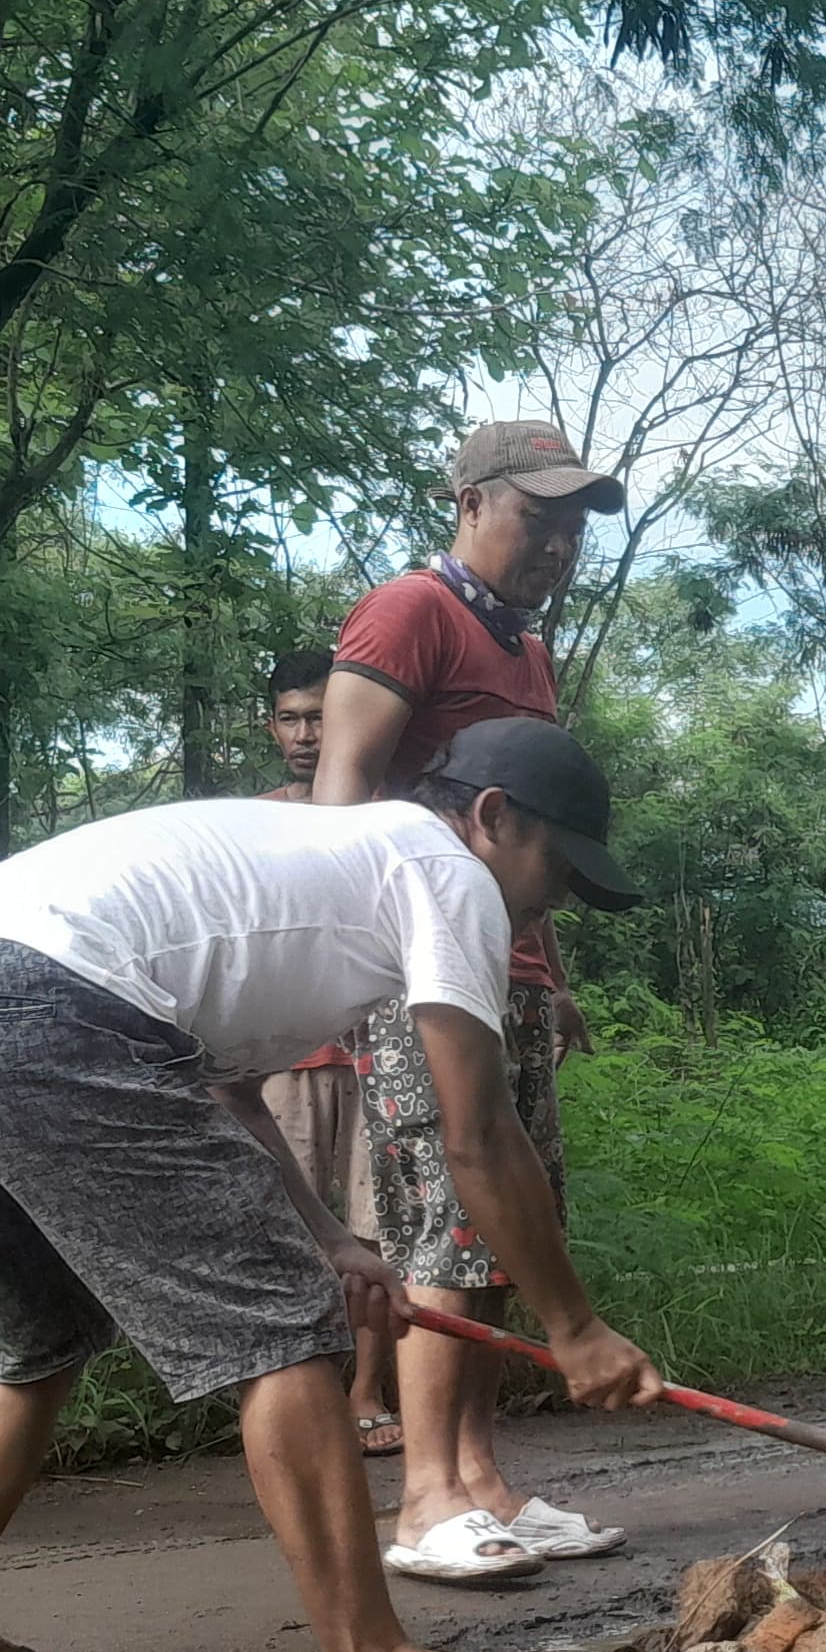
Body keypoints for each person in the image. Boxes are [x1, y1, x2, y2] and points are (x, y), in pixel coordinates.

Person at [0, 717, 663, 1652]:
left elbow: (226, 1093)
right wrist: (575, 1328)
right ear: (494, 818)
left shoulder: (322, 867)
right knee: (284, 1333)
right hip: (35, 1000)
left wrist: (329, 1235)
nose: (551, 903)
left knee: (38, 1340)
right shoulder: (444, 871)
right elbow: (481, 1137)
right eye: (556, 868)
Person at [308, 422, 630, 1584]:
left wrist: (553, 968)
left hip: (505, 961)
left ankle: (483, 1478)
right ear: (468, 501)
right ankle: (424, 1496)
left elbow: (526, 830)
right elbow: (342, 786)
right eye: (536, 517)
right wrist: (346, 963)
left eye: (573, 526)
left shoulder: (524, 649)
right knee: (445, 1208)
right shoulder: (408, 610)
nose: (557, 543)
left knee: (508, 1213)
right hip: (410, 959)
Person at [249, 645, 398, 1456]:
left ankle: (366, 1391)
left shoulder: (384, 811)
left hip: (377, 1050)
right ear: (272, 727)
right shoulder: (259, 820)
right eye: (292, 718)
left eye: (320, 716)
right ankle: (293, 1395)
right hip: (286, 1060)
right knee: (288, 1228)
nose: (307, 734)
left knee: (375, 1229)